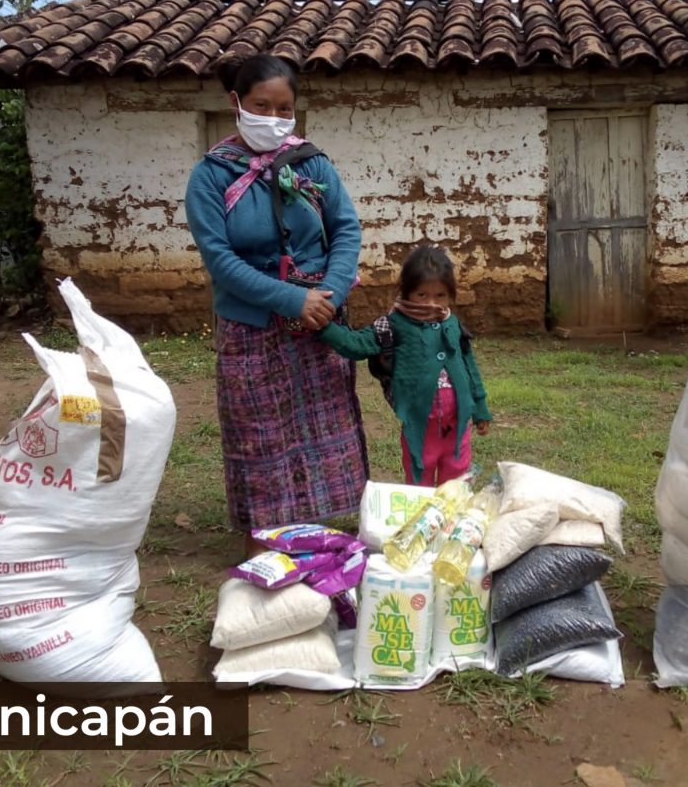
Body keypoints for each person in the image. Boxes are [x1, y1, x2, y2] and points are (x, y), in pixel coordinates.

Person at [184, 53, 369, 540]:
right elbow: (221, 260)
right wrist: (291, 300)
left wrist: (329, 293)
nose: (273, 118)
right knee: (260, 430)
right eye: (261, 106)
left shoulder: (312, 163)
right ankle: (266, 530)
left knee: (325, 420)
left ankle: (319, 521)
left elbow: (346, 229)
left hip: (320, 317)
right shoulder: (211, 176)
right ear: (236, 103)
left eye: (284, 109)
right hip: (252, 325)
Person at [318, 245, 491, 486]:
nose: (431, 303)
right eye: (422, 295)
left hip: (457, 426)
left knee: (456, 482)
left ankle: (452, 510)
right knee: (420, 480)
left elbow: (469, 365)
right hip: (420, 427)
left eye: (440, 295)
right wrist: (324, 327)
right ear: (407, 291)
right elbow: (356, 345)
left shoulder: (452, 324)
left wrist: (480, 408)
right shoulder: (392, 325)